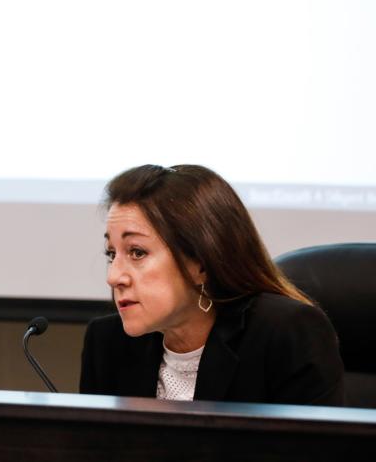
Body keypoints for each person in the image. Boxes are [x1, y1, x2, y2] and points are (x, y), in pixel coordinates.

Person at [80, 164, 344, 405]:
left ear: (202, 263)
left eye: (137, 252)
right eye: (111, 254)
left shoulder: (285, 335)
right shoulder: (107, 344)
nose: (114, 277)